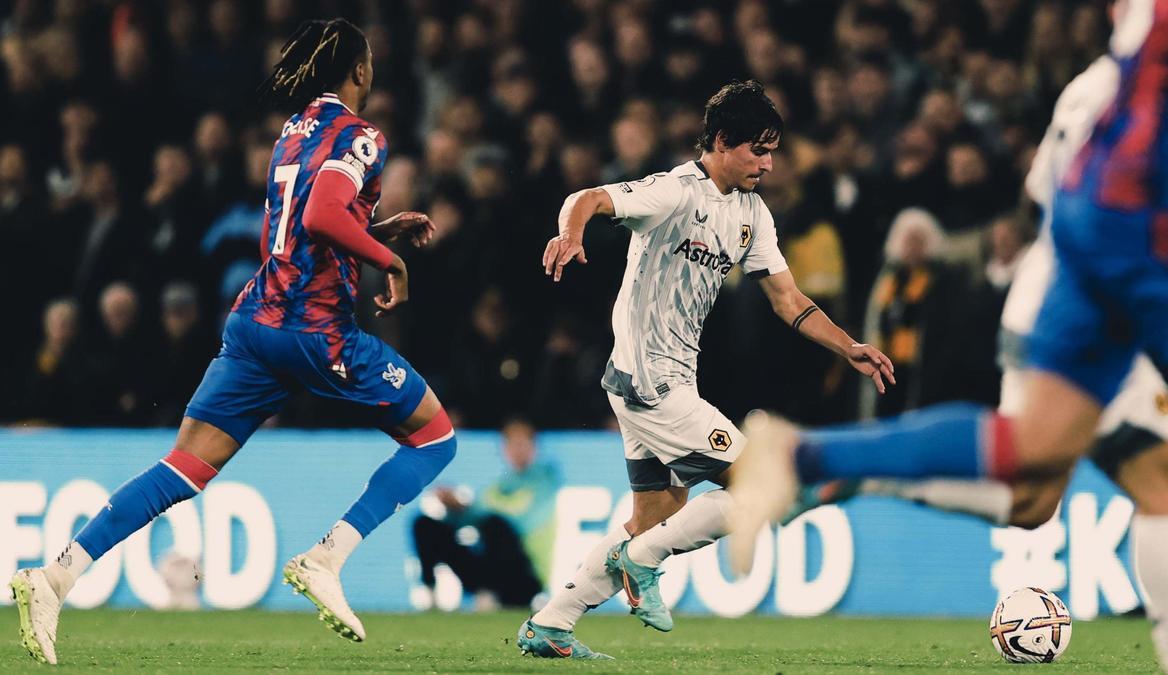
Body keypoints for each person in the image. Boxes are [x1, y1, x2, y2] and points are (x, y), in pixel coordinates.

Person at [728, 4, 1168, 673]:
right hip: (1133, 248)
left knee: (1065, 478)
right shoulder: (1136, 65)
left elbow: (1045, 196)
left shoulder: (1103, 82)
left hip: (1089, 250)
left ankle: (811, 457)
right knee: (1065, 484)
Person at [9, 19, 450, 666]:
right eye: (370, 63)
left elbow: (308, 218)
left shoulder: (294, 130)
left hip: (254, 324)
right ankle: (328, 556)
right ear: (358, 71)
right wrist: (390, 259)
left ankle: (56, 575)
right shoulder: (362, 136)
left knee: (184, 465)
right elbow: (324, 214)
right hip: (315, 329)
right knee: (435, 436)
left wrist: (378, 224)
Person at [516, 80, 894, 660]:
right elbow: (588, 198)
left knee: (654, 516)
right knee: (761, 489)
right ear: (722, 141)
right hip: (649, 379)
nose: (768, 163)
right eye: (758, 151)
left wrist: (849, 347)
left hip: (666, 382)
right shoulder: (673, 191)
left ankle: (551, 624)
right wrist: (570, 233)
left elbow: (789, 301)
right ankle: (640, 564)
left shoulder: (751, 215)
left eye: (772, 152)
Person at [411, 418, 561, 609]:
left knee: (495, 525)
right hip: (492, 574)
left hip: (526, 575)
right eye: (512, 444)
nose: (518, 450)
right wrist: (456, 508)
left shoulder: (545, 480)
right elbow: (472, 519)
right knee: (425, 525)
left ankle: (493, 595)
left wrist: (474, 511)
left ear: (535, 448)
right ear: (504, 450)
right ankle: (430, 593)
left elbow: (521, 522)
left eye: (523, 444)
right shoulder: (497, 488)